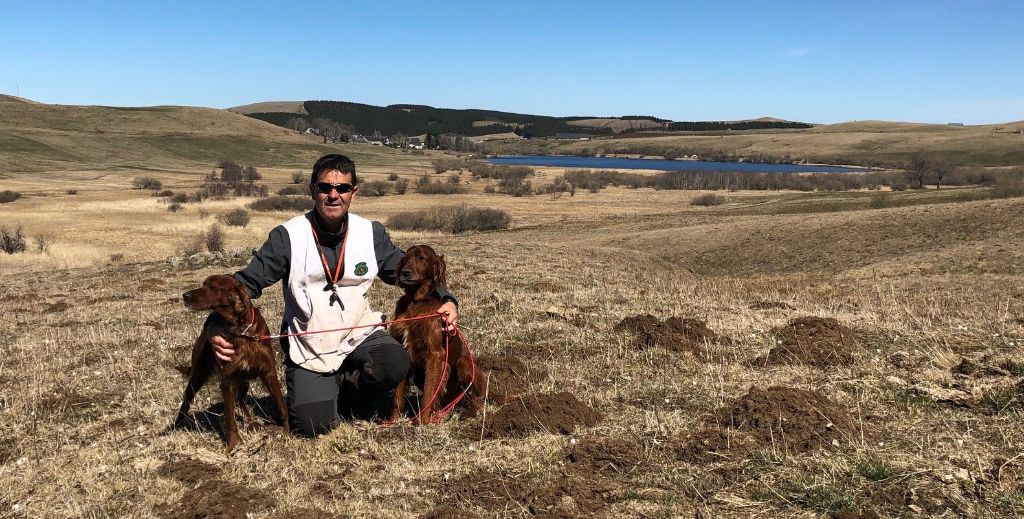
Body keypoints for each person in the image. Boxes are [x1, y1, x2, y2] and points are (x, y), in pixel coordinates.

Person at [209, 153, 458, 436]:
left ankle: (346, 391)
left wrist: (446, 298)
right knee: (313, 424)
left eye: (342, 188)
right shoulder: (287, 236)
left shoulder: (370, 232)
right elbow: (244, 283)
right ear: (312, 190)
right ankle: (324, 394)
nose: (333, 195)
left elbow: (404, 271)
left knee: (395, 362)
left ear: (354, 192)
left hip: (359, 334)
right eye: (325, 187)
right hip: (309, 344)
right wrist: (214, 325)